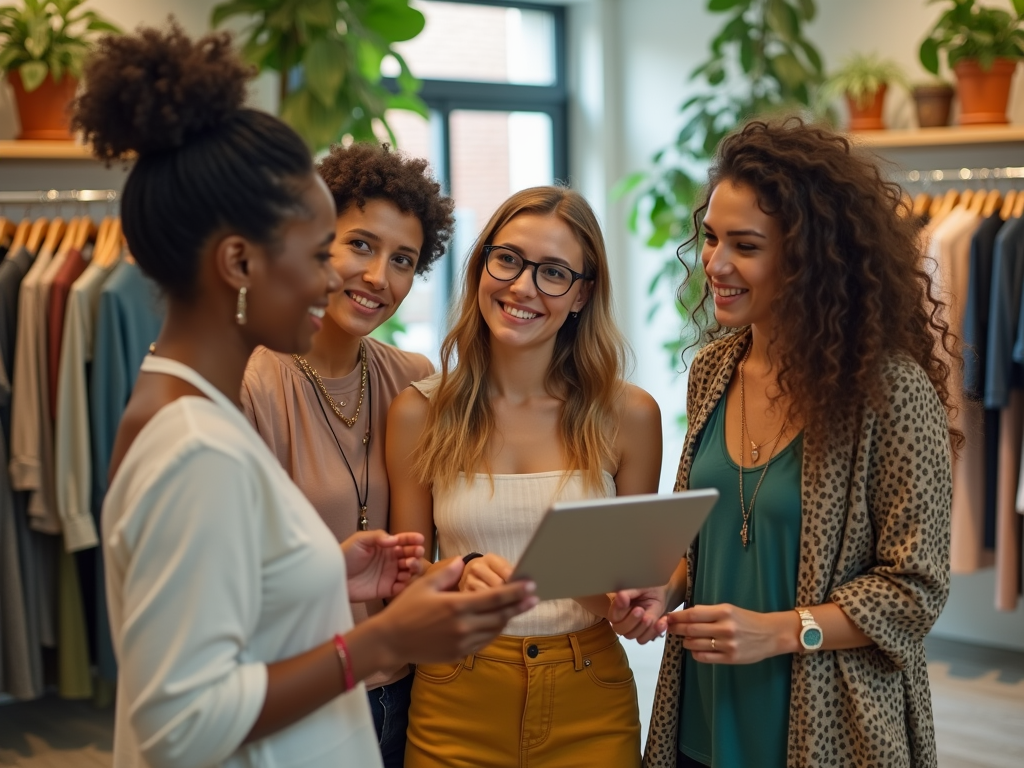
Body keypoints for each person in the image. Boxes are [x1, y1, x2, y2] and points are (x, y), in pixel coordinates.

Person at [72, 25, 535, 768]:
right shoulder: (197, 445)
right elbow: (179, 722)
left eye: (401, 260)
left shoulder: (195, 416)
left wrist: (327, 572)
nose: (339, 281)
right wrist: (381, 641)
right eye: (324, 252)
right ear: (239, 261)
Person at [640, 119, 956, 768]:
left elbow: (916, 588)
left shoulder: (888, 393)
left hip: (829, 732)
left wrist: (779, 631)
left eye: (745, 246)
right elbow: (701, 538)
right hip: (702, 717)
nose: (715, 264)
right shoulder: (712, 371)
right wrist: (664, 587)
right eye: (710, 238)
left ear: (808, 257)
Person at [387, 185, 664, 768]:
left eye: (554, 273)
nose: (522, 287)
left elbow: (631, 581)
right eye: (508, 259)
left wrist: (633, 601)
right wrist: (455, 574)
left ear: (583, 293)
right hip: (454, 694)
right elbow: (404, 580)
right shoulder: (419, 411)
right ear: (482, 261)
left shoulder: (629, 416)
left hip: (591, 696)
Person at [240, 142, 454, 767]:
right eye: (361, 244)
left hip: (408, 690)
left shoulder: (411, 380)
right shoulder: (254, 381)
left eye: (403, 260)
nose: (379, 278)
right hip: (306, 691)